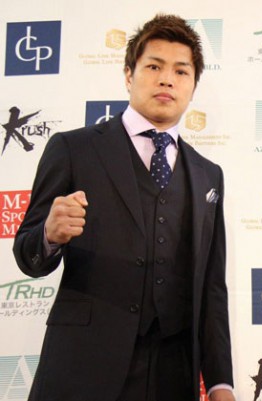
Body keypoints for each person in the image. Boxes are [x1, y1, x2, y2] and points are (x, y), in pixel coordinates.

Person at [13, 14, 235, 401]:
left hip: (173, 374)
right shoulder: (73, 149)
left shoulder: (208, 175)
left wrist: (220, 383)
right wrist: (49, 235)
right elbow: (27, 255)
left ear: (193, 86)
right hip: (83, 367)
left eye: (181, 71)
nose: (167, 79)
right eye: (154, 66)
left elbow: (212, 288)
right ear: (129, 75)